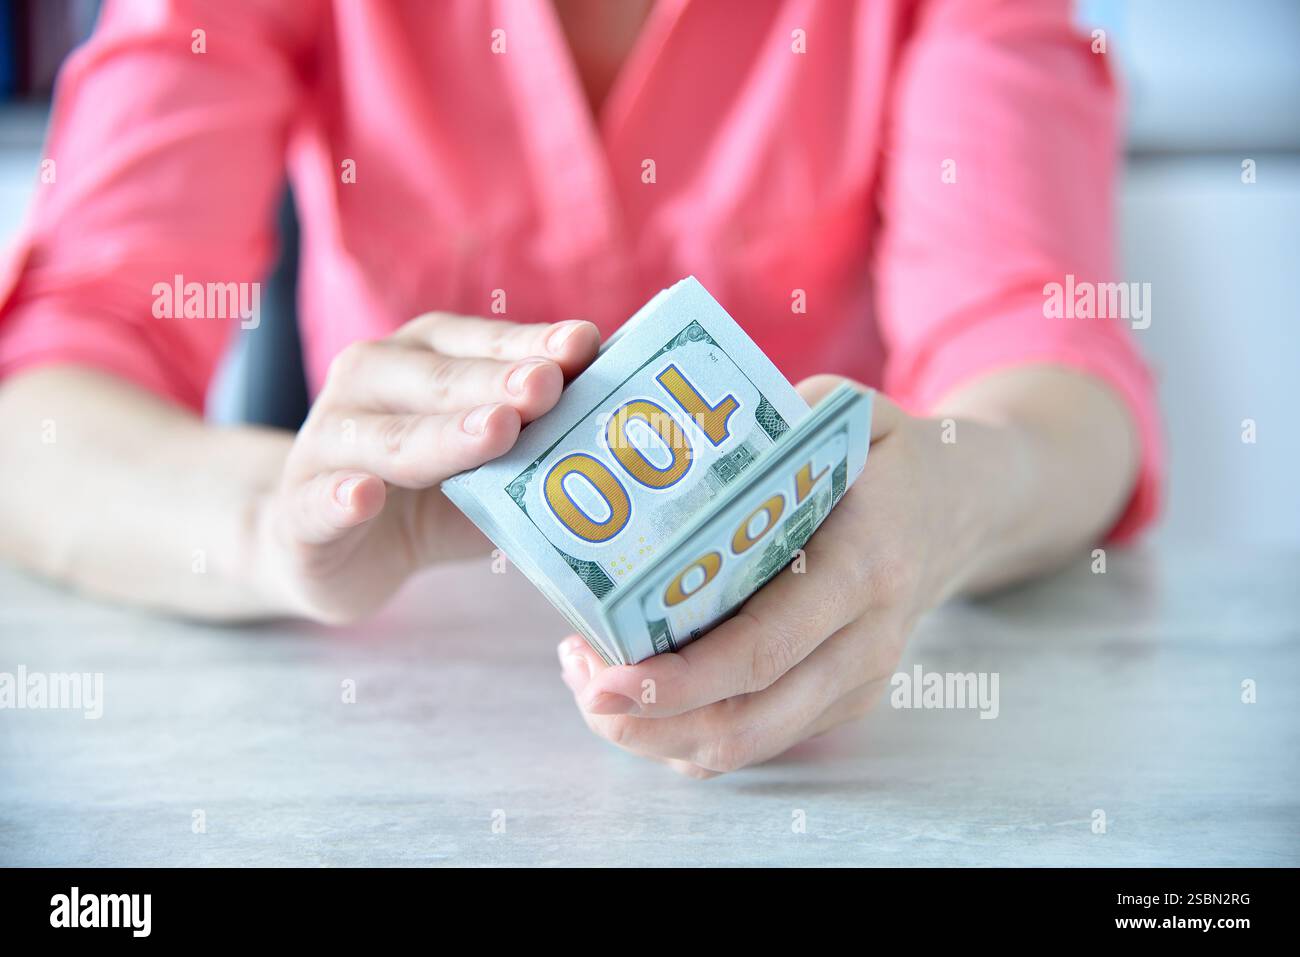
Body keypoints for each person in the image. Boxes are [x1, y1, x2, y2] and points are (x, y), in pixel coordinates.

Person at [0, 0, 1162, 777]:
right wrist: (277, 523)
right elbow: (44, 399)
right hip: (389, 747)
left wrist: (935, 513)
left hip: (834, 743)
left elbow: (1055, 372)